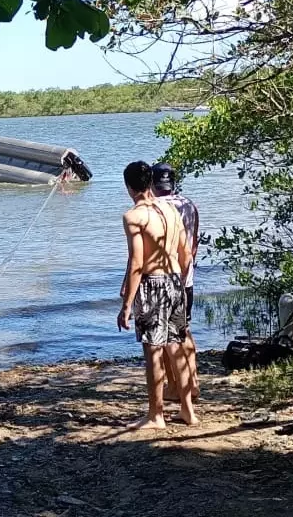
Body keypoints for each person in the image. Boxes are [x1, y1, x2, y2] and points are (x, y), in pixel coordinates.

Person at [118, 161, 198, 429]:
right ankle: (188, 411)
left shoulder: (134, 216)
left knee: (153, 350)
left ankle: (156, 415)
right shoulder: (170, 210)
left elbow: (137, 263)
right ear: (150, 182)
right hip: (175, 279)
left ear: (129, 187)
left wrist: (127, 304)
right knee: (176, 346)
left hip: (152, 283)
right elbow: (185, 253)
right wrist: (179, 279)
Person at [151, 162, 200, 402]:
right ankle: (193, 383)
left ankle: (174, 387)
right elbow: (193, 244)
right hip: (186, 277)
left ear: (152, 184)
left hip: (164, 278)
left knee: (164, 338)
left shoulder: (155, 207)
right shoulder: (189, 204)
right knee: (184, 330)